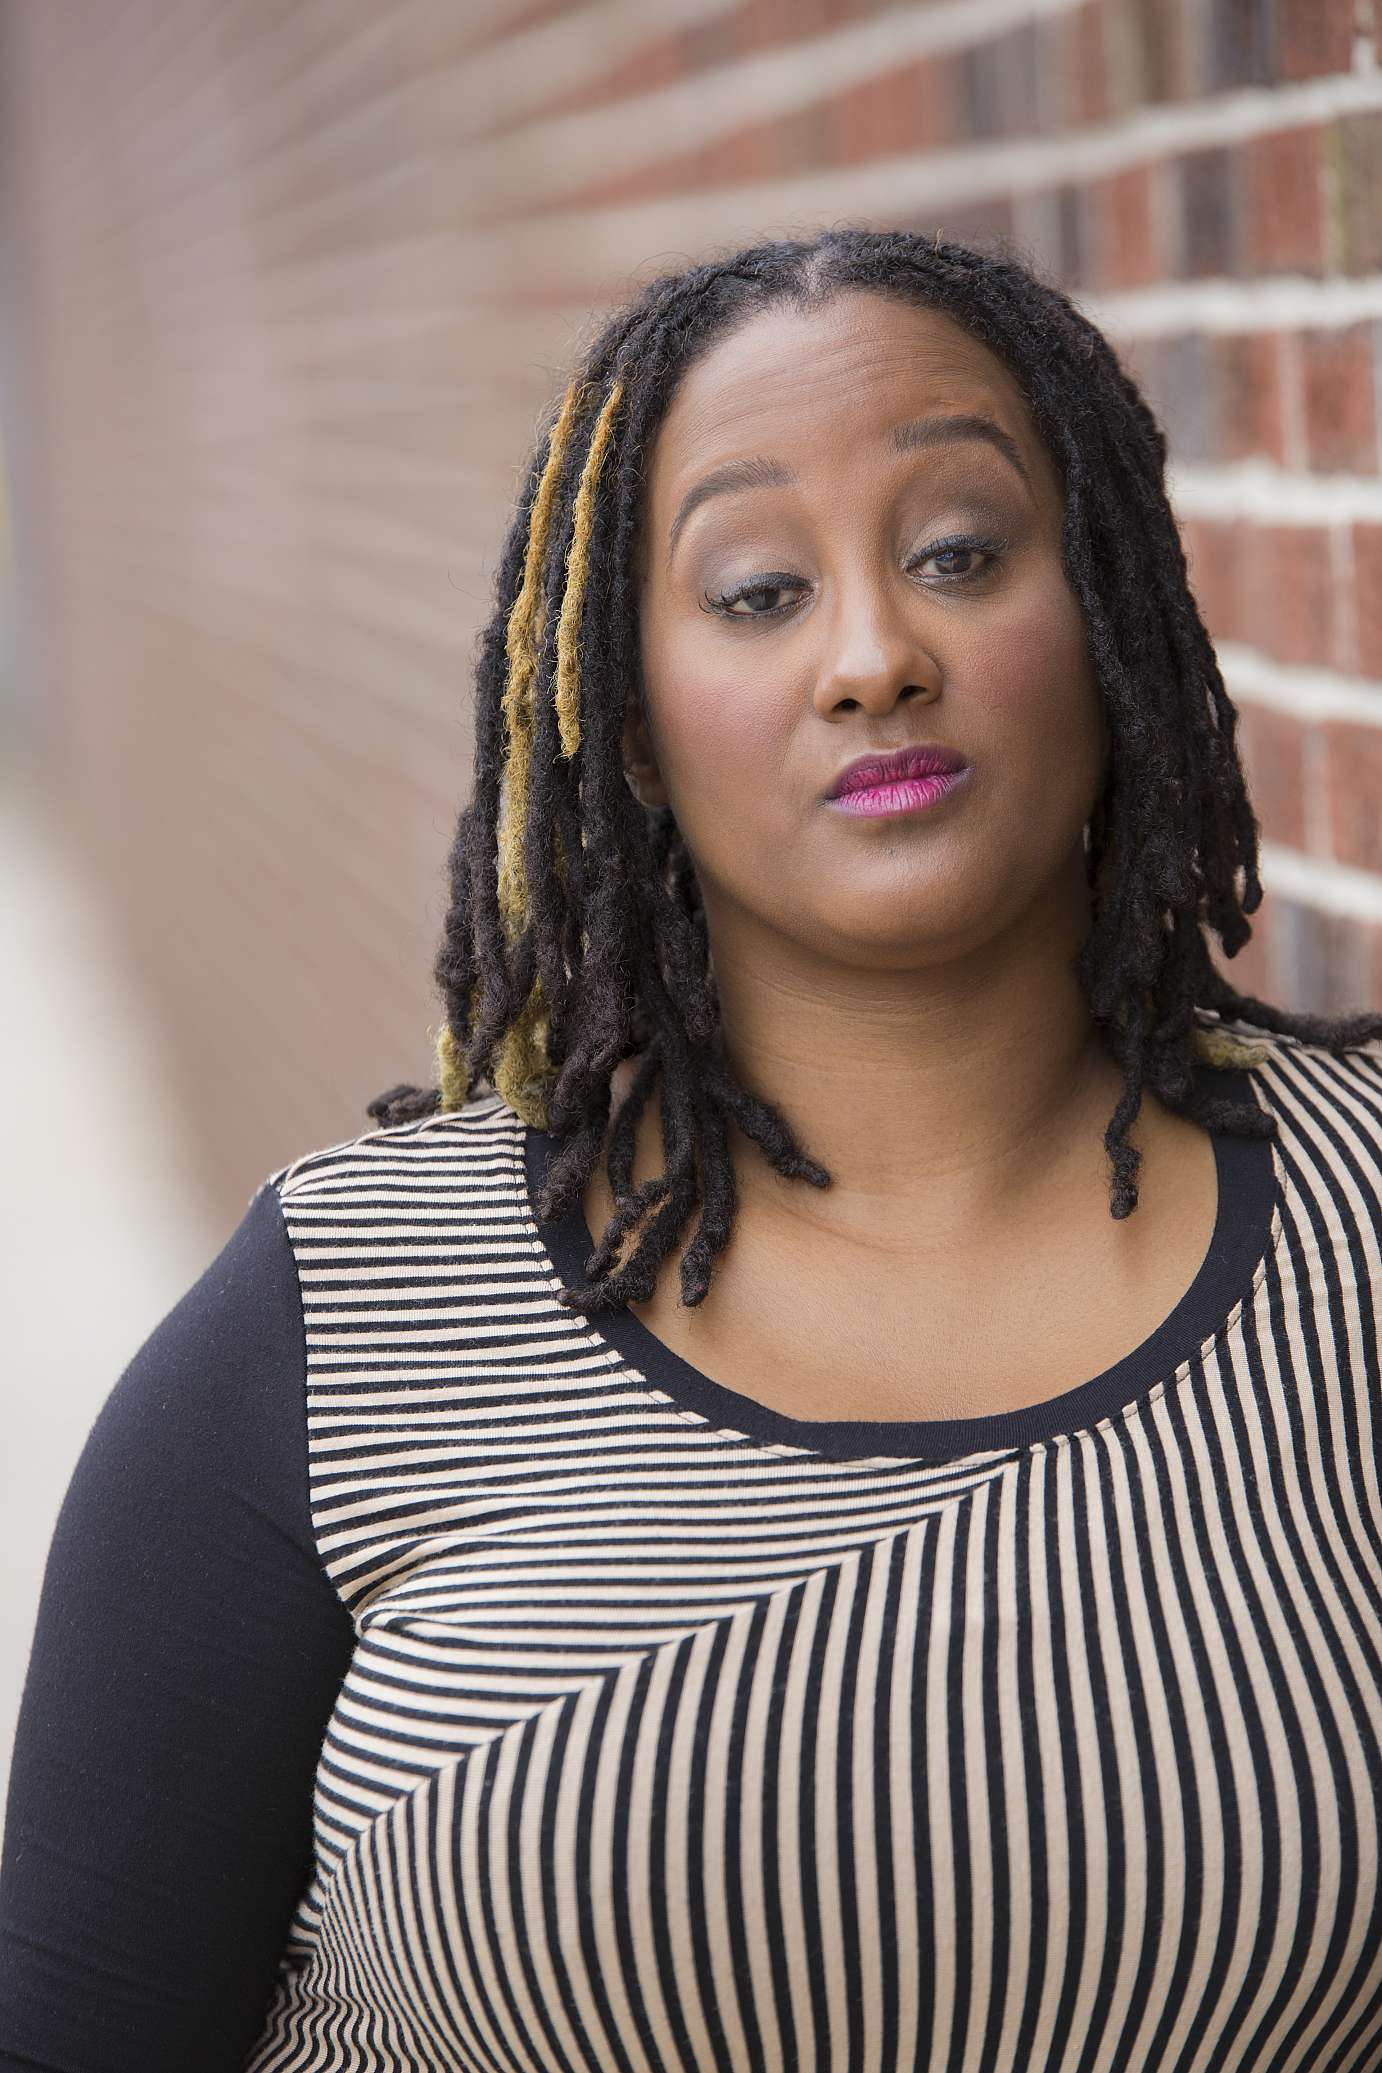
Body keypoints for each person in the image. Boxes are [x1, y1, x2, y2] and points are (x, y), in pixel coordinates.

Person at [2, 225, 1381, 2072]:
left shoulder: (1359, 1227)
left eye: (958, 554)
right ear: (622, 709)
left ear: (1114, 608)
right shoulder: (342, 1324)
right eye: (753, 592)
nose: (875, 657)